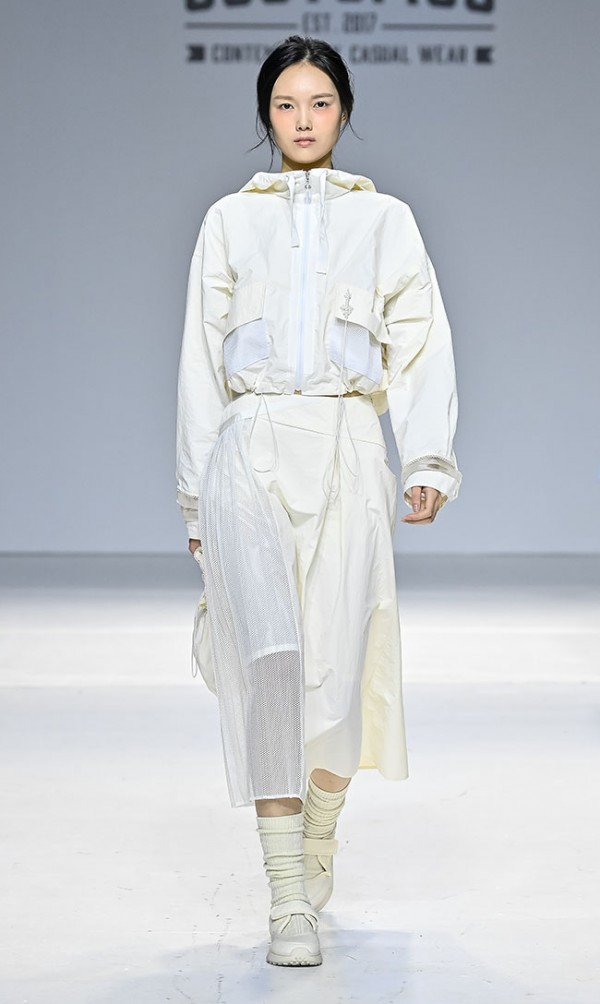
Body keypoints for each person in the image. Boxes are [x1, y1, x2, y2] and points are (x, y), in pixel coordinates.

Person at [175, 34, 462, 968]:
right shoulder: (229, 221)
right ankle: (286, 893)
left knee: (337, 669)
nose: (303, 120)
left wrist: (427, 457)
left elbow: (420, 343)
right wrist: (194, 502)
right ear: (266, 114)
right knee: (269, 663)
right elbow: (199, 363)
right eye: (287, 104)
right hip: (249, 446)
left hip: (346, 443)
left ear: (345, 111)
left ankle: (321, 828)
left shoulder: (386, 222)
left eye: (321, 102)